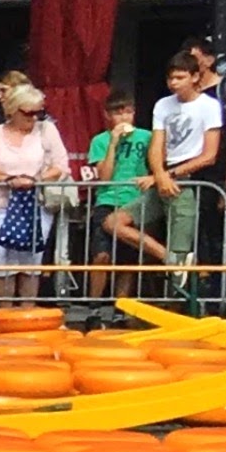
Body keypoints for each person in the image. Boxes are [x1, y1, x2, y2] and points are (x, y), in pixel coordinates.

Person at [0, 75, 66, 307]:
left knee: (32, 260)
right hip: (0, 203)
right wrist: (8, 179)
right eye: (28, 113)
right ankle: (4, 314)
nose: (34, 118)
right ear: (12, 110)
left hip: (37, 203)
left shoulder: (46, 130)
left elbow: (61, 166)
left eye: (38, 113)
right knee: (2, 259)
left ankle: (27, 312)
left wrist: (35, 179)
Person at [151, 45, 222, 291]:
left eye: (180, 77)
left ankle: (180, 290)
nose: (174, 83)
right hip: (165, 173)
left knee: (187, 238)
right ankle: (169, 259)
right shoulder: (162, 104)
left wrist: (168, 175)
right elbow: (156, 144)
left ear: (195, 77)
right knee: (116, 222)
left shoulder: (209, 105)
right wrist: (159, 174)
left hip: (191, 177)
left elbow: (210, 155)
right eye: (170, 78)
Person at [87, 85, 159, 304]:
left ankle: (122, 305)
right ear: (107, 115)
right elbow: (104, 176)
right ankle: (94, 303)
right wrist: (113, 143)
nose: (124, 117)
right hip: (107, 199)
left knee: (129, 259)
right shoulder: (100, 140)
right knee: (102, 255)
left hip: (136, 200)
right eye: (118, 113)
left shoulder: (147, 136)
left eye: (128, 112)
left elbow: (157, 164)